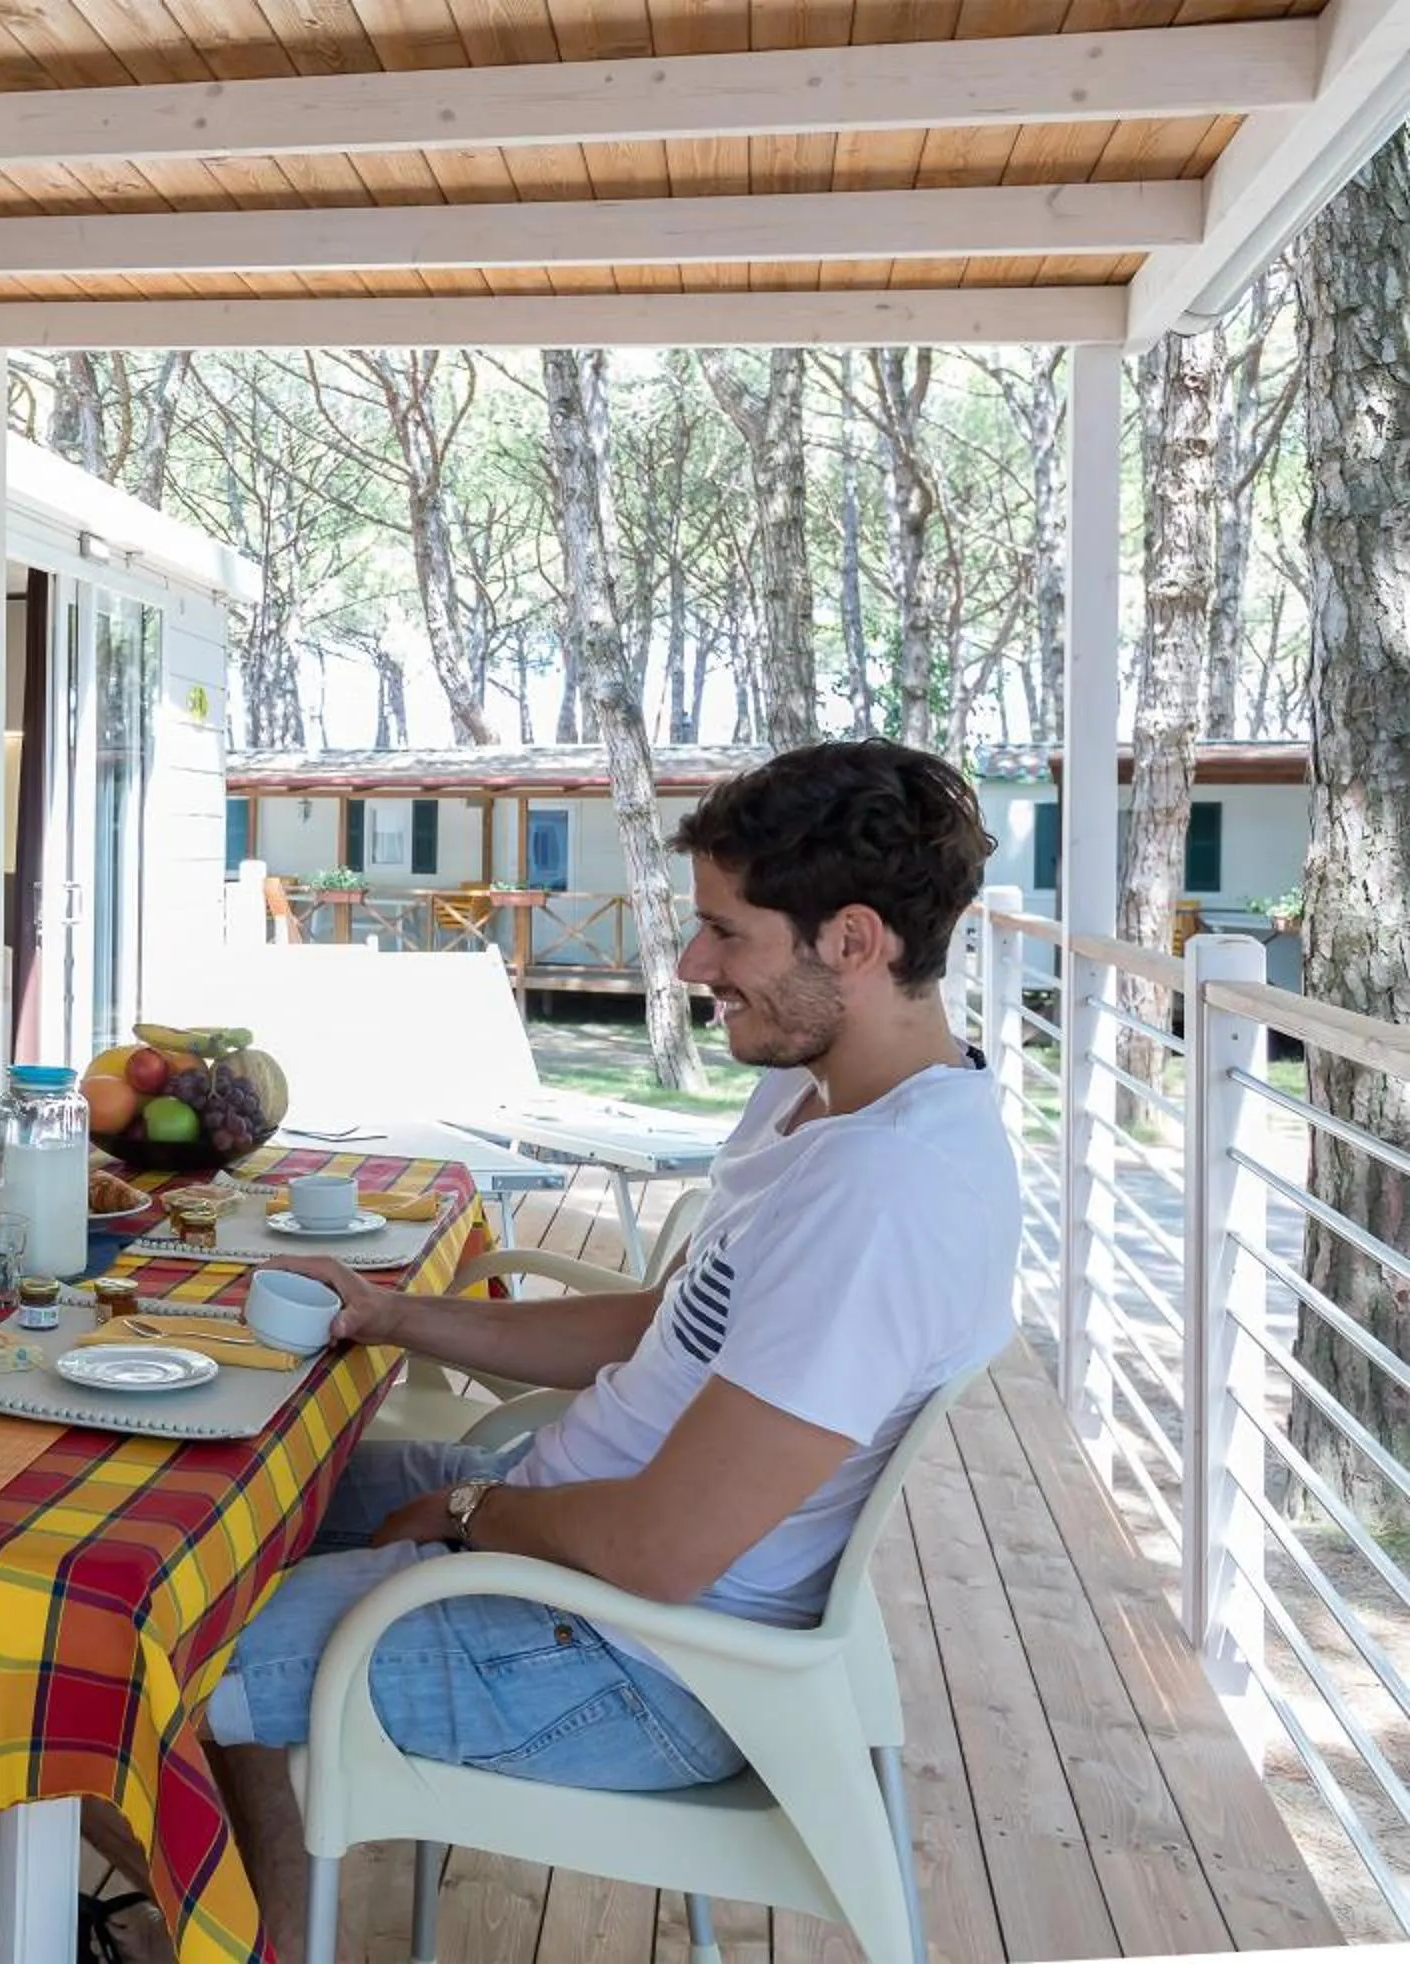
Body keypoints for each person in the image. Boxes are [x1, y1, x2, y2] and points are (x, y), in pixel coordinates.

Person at [193, 740, 1024, 1964]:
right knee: (222, 1494)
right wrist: (394, 1314)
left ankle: (226, 1931)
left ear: (853, 939)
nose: (692, 966)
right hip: (572, 1548)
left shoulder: (887, 1192)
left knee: (138, 1661)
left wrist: (466, 1515)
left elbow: (662, 1549)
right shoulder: (819, 1101)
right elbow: (664, 1326)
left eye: (726, 933)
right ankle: (249, 1920)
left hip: (634, 1660)